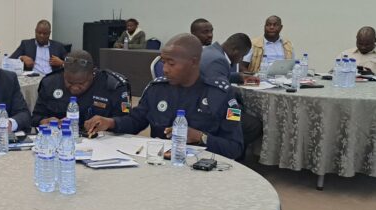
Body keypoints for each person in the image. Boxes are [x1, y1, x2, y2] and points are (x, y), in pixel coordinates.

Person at [86, 34, 244, 160]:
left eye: (171, 64)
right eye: (163, 62)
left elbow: (235, 147)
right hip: (158, 164)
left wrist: (201, 137)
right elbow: (135, 121)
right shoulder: (157, 89)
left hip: (201, 170)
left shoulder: (221, 95)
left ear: (194, 62)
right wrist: (110, 122)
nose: (165, 69)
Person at [32, 51, 131, 128]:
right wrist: (44, 121)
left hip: (101, 142)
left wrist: (110, 123)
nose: (75, 88)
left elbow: (129, 122)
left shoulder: (116, 87)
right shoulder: (50, 83)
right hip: (61, 141)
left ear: (93, 73)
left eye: (81, 83)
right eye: (69, 82)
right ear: (64, 73)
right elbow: (35, 117)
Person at [200, 34, 262, 149]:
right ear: (235, 50)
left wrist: (239, 77)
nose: (241, 60)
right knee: (253, 125)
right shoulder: (218, 60)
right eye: (242, 55)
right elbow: (222, 97)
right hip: (210, 112)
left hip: (204, 103)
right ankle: (230, 151)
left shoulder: (211, 51)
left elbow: (217, 76)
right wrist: (239, 108)